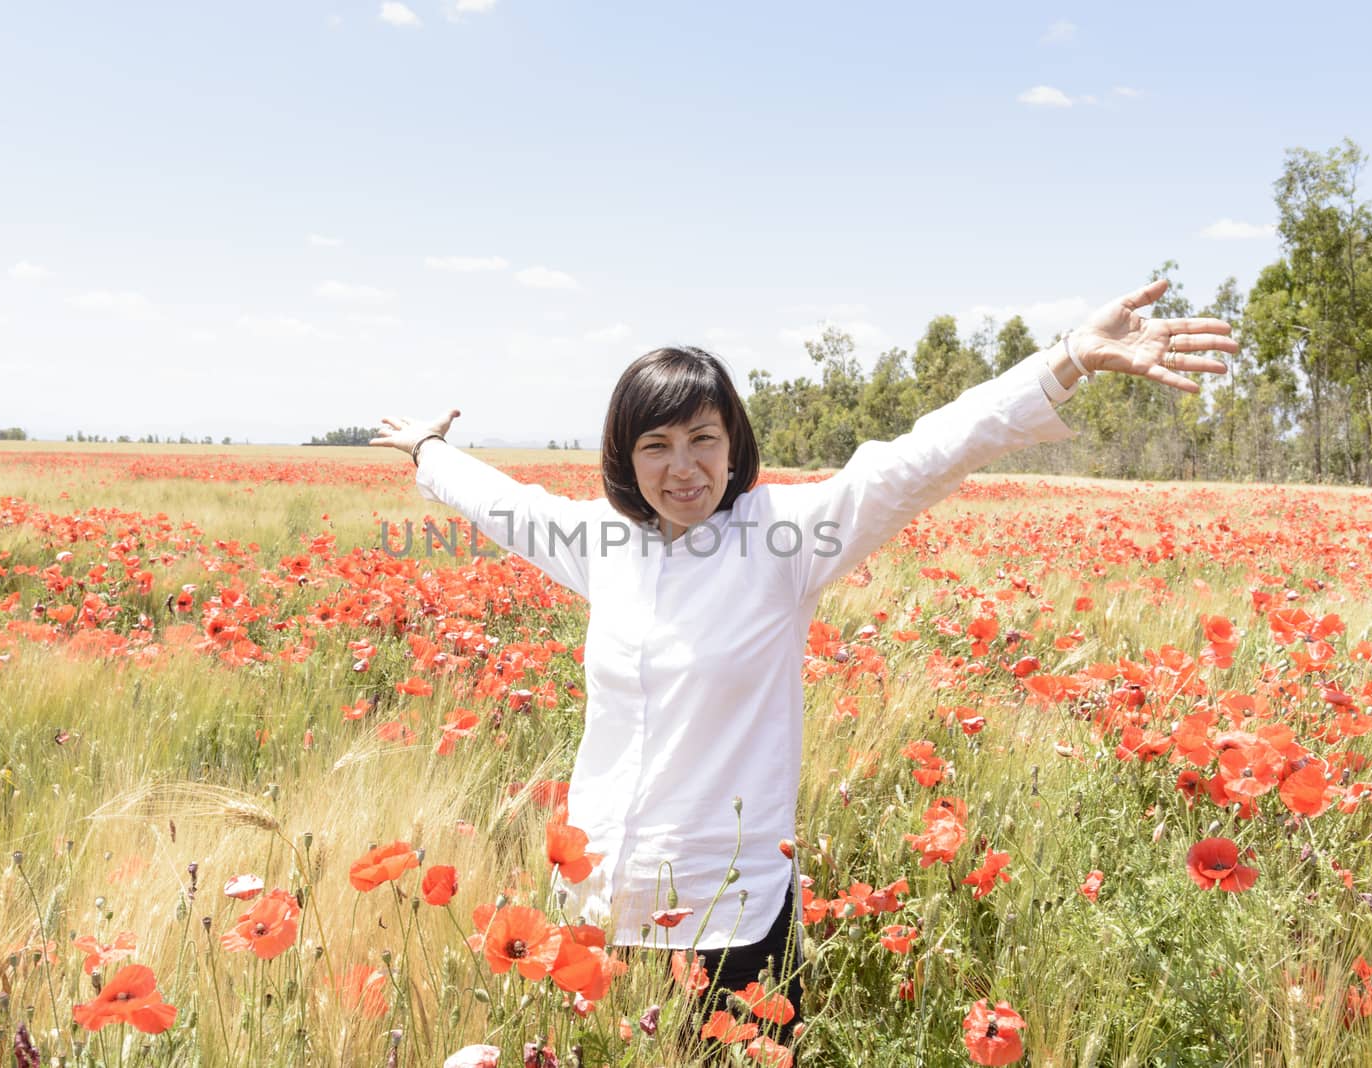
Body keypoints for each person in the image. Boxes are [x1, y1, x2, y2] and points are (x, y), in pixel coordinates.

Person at [371, 278, 1234, 1032]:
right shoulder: (604, 540)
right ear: (625, 460)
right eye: (657, 446)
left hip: (728, 908)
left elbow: (922, 456)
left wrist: (1066, 360)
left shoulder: (785, 536)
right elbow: (500, 502)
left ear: (733, 441)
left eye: (703, 439)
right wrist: (429, 451)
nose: (683, 468)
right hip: (601, 895)